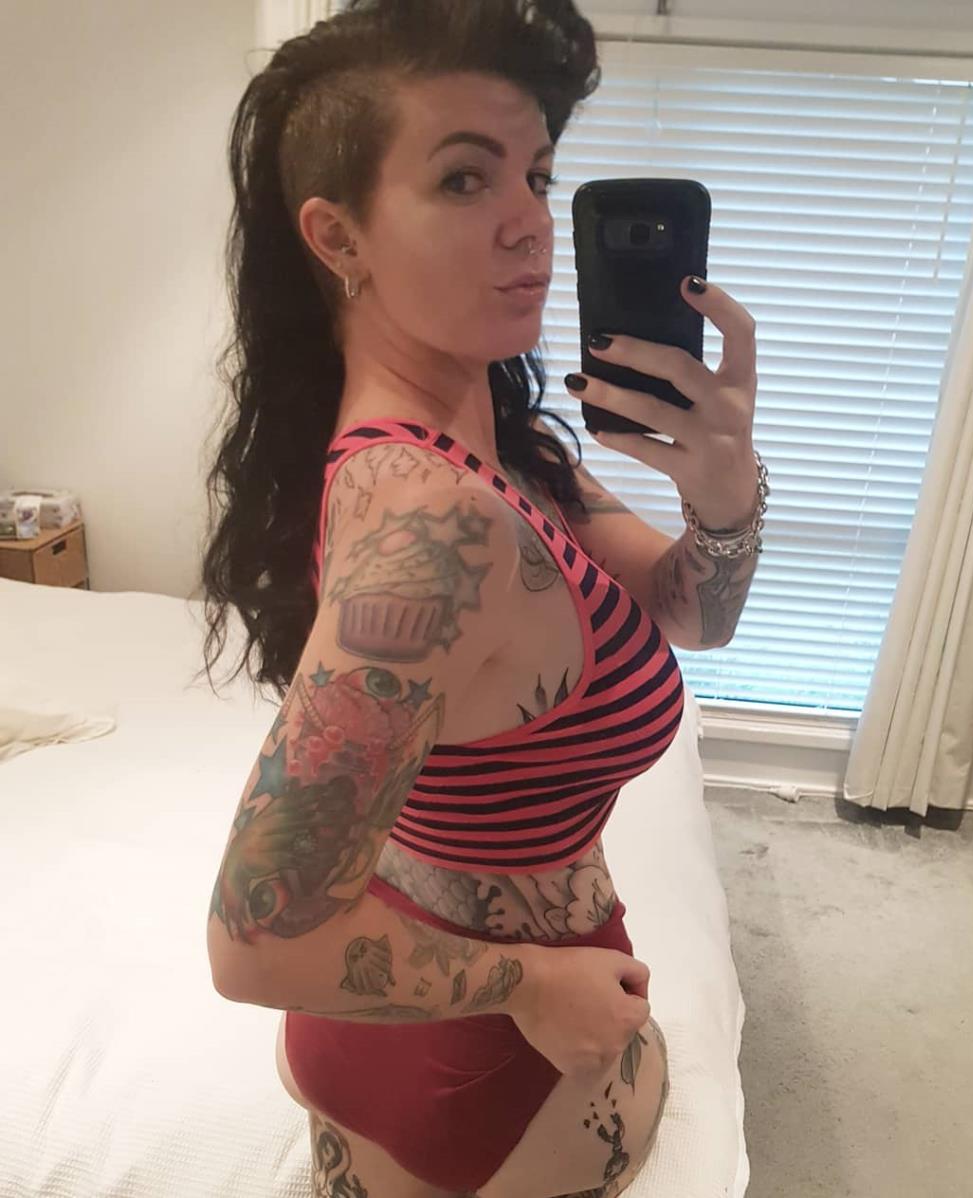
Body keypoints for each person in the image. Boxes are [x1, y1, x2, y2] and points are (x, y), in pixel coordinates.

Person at [199, 2, 678, 1195]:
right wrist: (533, 982)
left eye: (536, 174)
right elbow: (254, 939)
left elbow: (691, 610)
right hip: (492, 1060)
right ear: (339, 236)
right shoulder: (433, 523)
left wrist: (726, 495)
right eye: (465, 179)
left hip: (390, 1020)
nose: (531, 220)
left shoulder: (491, 445)